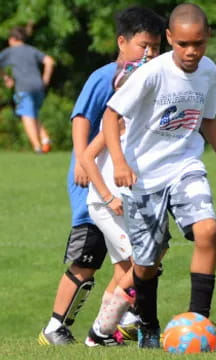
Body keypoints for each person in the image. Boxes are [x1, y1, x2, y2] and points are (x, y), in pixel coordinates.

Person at [102, 3, 216, 349]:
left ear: (208, 37)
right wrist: (119, 163)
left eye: (198, 43)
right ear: (169, 38)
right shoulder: (152, 73)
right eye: (183, 44)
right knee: (147, 263)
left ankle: (201, 324)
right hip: (143, 177)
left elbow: (208, 118)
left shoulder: (209, 72)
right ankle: (148, 326)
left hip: (185, 166)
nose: (191, 51)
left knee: (208, 228)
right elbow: (111, 114)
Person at [37, 6, 165, 346]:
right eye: (143, 46)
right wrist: (82, 159)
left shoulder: (152, 79)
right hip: (91, 179)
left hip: (122, 183)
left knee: (135, 262)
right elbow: (81, 119)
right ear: (122, 42)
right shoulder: (105, 76)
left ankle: (116, 324)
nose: (149, 53)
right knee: (88, 257)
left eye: (156, 47)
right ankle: (55, 326)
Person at [80, 51, 152, 347]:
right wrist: (108, 198)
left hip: (125, 206)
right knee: (143, 262)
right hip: (105, 205)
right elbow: (86, 157)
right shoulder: (118, 121)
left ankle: (104, 333)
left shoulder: (142, 124)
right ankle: (103, 331)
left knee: (125, 270)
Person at [0, 25, 54, 153]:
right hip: (38, 87)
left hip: (23, 87)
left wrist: (6, 78)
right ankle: (45, 139)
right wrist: (45, 80)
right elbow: (49, 61)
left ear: (12, 39)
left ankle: (37, 147)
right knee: (32, 113)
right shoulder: (31, 50)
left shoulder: (10, 51)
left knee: (26, 115)